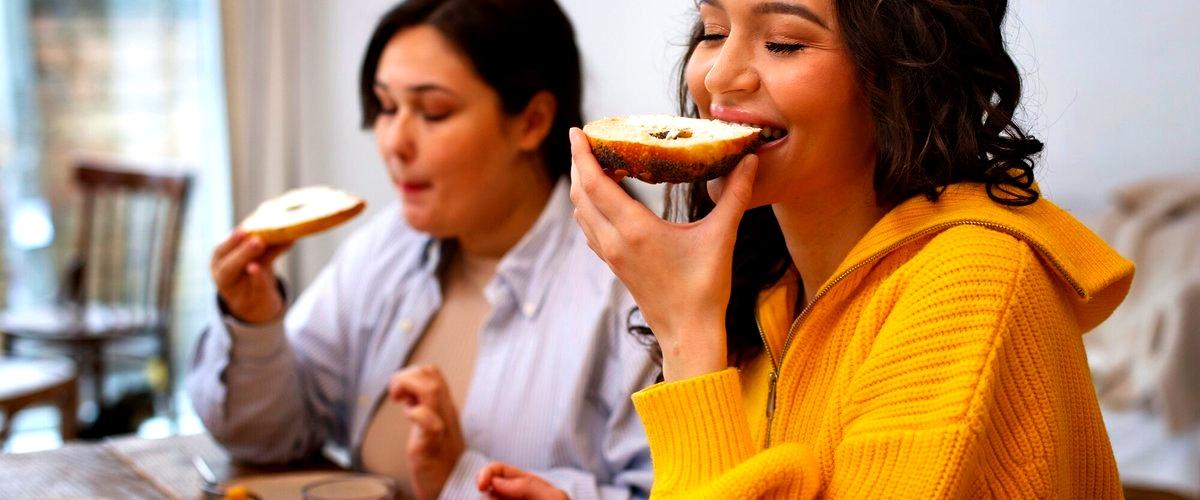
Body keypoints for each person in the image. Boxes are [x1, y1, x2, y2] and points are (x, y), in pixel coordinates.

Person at [495, 0, 1134, 497]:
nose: (719, 77)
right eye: (712, 31)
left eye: (784, 43)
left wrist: (687, 331)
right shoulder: (772, 287)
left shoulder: (972, 286)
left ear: (906, 73)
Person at [187, 1, 656, 499]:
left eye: (433, 112)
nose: (394, 142)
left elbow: (666, 489)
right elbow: (266, 435)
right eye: (386, 108)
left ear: (532, 121)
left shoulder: (627, 287)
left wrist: (462, 478)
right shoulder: (389, 245)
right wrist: (254, 324)